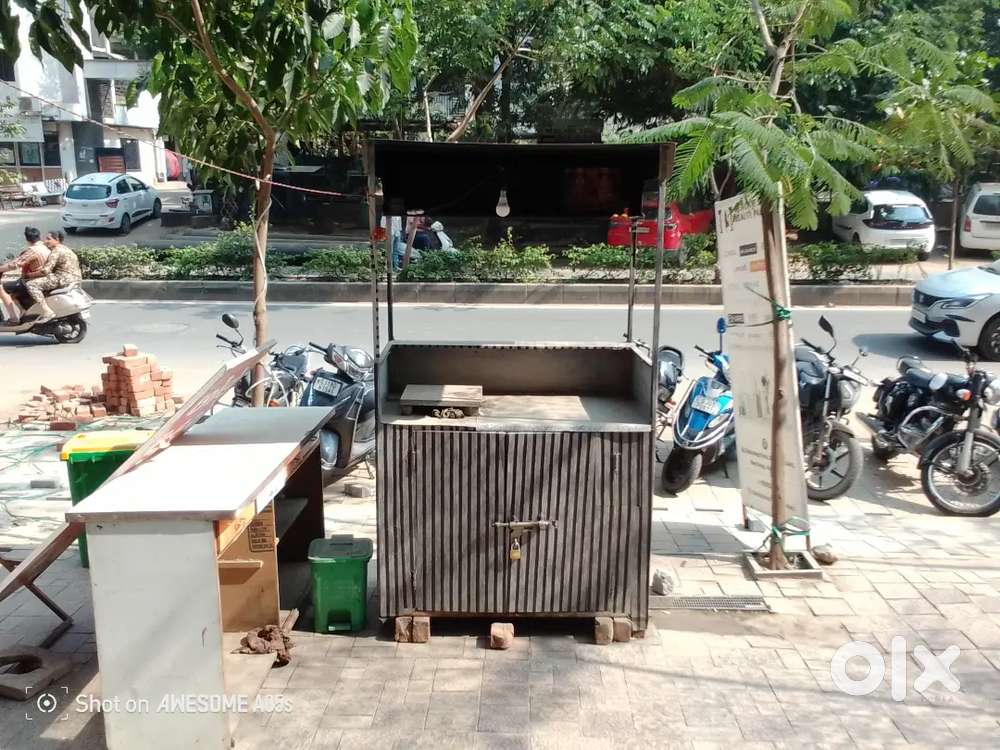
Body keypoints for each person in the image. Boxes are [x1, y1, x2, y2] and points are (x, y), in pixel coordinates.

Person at [24, 230, 82, 323]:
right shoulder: (66, 249)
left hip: (62, 278)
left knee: (31, 285)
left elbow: (45, 271)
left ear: (57, 239)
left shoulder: (56, 251)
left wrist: (28, 275)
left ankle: (47, 311)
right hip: (75, 278)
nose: (46, 241)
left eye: (48, 239)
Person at [0, 226, 50, 324]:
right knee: (13, 288)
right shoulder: (45, 247)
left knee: (2, 288)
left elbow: (15, 264)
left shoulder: (33, 250)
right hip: (43, 279)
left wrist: (1, 269)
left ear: (27, 239)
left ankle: (13, 318)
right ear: (39, 236)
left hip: (33, 280)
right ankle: (23, 311)